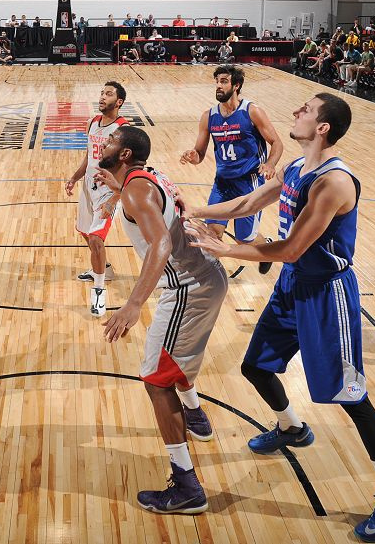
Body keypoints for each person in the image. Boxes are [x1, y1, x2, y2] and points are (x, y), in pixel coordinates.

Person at [184, 92, 375, 542]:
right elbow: (248, 203)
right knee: (256, 366)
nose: (296, 111)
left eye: (306, 110)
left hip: (328, 294)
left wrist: (225, 248)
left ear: (323, 127)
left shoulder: (335, 182)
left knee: (351, 396)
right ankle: (292, 427)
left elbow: (291, 249)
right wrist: (193, 209)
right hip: (292, 285)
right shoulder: (295, 168)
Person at [95, 125, 227, 514]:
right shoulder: (146, 178)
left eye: (112, 141)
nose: (104, 142)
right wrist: (117, 190)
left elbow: (162, 242)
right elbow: (155, 208)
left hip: (188, 287)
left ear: (124, 155)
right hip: (206, 276)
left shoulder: (136, 191)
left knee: (155, 377)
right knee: (171, 360)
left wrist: (133, 303)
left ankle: (186, 486)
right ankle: (195, 416)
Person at [179, 65, 282, 277]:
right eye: (217, 81)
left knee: (245, 239)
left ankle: (266, 247)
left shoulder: (252, 111)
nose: (218, 85)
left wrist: (270, 164)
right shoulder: (209, 116)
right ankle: (210, 279)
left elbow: (277, 143)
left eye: (224, 81)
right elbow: (199, 153)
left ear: (236, 86)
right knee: (212, 232)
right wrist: (192, 156)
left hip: (249, 183)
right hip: (222, 183)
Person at [65, 82, 128, 316]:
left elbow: (129, 167)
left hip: (107, 191)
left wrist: (116, 195)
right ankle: (104, 269)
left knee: (96, 238)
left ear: (119, 102)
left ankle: (99, 291)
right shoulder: (92, 122)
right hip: (88, 186)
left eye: (108, 94)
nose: (102, 97)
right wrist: (75, 177)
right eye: (102, 93)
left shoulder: (123, 129)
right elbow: (89, 157)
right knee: (85, 231)